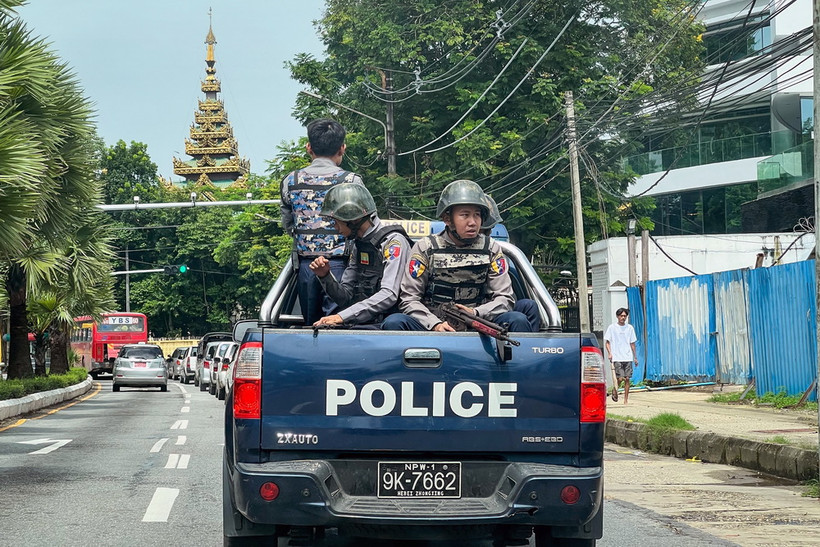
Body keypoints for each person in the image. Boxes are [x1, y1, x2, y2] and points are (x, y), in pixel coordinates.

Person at [382, 180, 533, 332]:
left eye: (477, 215)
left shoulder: (491, 248)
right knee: (394, 322)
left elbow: (505, 298)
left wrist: (475, 313)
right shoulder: (426, 248)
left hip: (479, 324)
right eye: (465, 215)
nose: (472, 222)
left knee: (517, 319)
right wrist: (434, 324)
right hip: (432, 326)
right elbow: (409, 299)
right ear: (447, 219)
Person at [279, 118, 364, 325]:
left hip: (306, 267)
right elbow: (364, 225)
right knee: (338, 325)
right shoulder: (351, 181)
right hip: (342, 267)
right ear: (342, 148)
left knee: (312, 328)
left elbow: (288, 224)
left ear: (309, 147)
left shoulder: (291, 181)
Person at [309, 184, 412, 327]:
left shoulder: (393, 243)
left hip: (390, 327)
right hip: (365, 325)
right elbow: (345, 298)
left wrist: (342, 317)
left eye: (336, 221)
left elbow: (389, 294)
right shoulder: (359, 245)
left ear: (353, 219)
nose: (335, 227)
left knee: (393, 322)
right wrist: (325, 276)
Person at [481, 193, 541, 332]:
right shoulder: (436, 250)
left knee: (529, 306)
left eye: (476, 216)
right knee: (518, 319)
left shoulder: (494, 251)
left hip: (490, 309)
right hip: (460, 313)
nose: (490, 232)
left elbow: (504, 296)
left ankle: (532, 344)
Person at [604, 308, 638, 404]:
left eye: (625, 316)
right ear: (617, 316)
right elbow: (607, 342)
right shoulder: (612, 328)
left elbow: (632, 343)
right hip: (617, 357)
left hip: (627, 356)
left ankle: (625, 399)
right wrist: (610, 353)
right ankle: (615, 389)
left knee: (627, 378)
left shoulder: (630, 328)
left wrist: (635, 357)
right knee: (619, 378)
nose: (623, 318)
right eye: (621, 316)